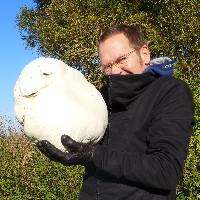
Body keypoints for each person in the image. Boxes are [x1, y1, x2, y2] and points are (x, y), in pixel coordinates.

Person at [36, 24, 194, 200]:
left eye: (121, 59)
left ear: (144, 53)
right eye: (107, 66)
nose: (115, 71)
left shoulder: (170, 91)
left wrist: (94, 155)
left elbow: (166, 170)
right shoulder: (101, 98)